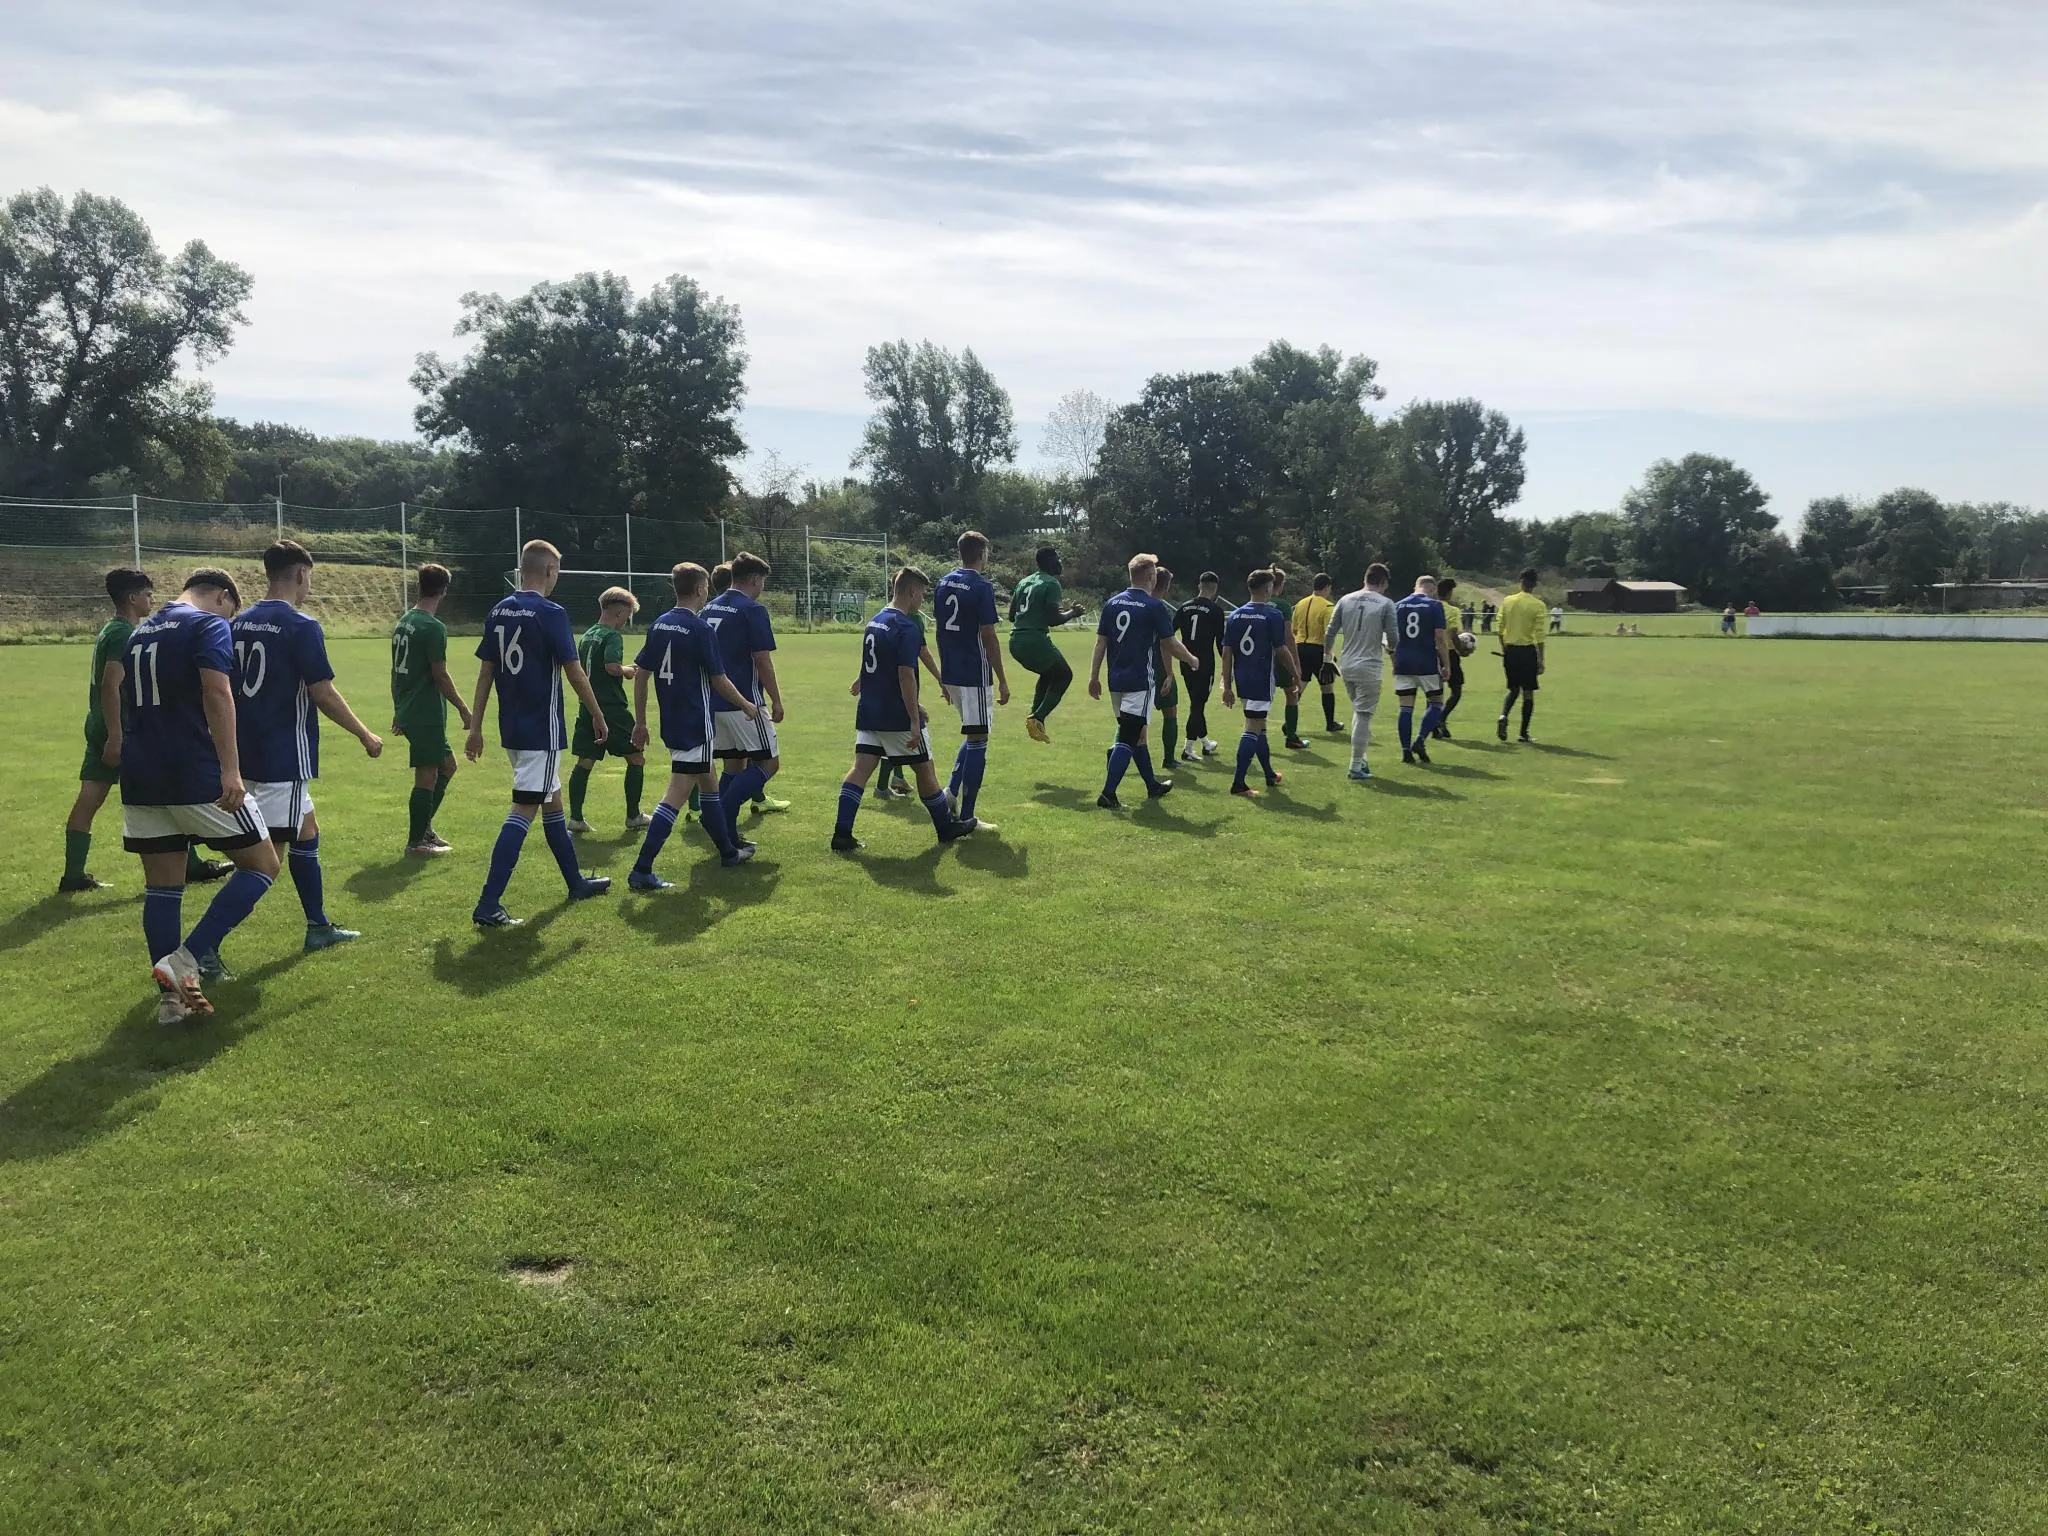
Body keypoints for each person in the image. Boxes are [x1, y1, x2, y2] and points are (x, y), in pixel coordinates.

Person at [101, 568, 281, 1023]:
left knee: (163, 888)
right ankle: (186, 960)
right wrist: (231, 769)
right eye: (232, 611)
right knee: (263, 865)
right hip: (192, 771)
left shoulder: (140, 632)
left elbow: (117, 689)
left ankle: (171, 1003)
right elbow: (217, 692)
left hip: (141, 775)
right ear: (222, 596)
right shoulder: (207, 624)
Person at [221, 538, 383, 970]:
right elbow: (322, 693)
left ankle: (318, 926)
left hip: (243, 754)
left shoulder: (237, 624)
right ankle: (201, 949)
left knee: (307, 832)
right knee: (263, 863)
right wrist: (364, 734)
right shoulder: (300, 625)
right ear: (300, 574)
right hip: (282, 757)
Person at [465, 540, 613, 927]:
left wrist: (476, 727)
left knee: (552, 804)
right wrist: (597, 713)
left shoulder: (498, 610)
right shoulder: (551, 612)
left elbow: (485, 672)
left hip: (512, 728)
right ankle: (488, 904)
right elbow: (574, 670)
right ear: (549, 571)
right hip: (541, 732)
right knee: (524, 809)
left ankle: (575, 882)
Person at [61, 569, 233, 893]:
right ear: (132, 598)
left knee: (90, 800)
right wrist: (116, 735)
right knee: (166, 792)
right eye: (147, 594)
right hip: (123, 728)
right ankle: (191, 866)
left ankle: (73, 875)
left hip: (99, 723)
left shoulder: (110, 629)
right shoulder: (125, 633)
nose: (152, 600)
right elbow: (111, 685)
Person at [625, 562, 761, 888]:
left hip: (672, 720)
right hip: (695, 723)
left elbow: (641, 675)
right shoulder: (701, 629)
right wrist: (746, 705)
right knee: (676, 795)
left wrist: (641, 722)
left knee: (710, 786)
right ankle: (642, 869)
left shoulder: (659, 624)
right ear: (700, 589)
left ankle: (728, 852)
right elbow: (719, 680)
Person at [833, 567, 988, 851]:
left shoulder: (875, 621)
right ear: (912, 591)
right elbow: (905, 675)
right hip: (896, 715)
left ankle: (842, 833)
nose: (923, 599)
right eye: (922, 594)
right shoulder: (906, 627)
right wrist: (914, 719)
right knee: (925, 769)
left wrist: (861, 681)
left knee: (860, 768)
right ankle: (946, 827)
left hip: (869, 710)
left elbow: (877, 664)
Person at [1088, 553, 1200, 809]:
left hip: (1116, 680)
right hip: (1139, 682)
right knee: (1128, 738)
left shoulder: (1112, 603)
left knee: (1137, 736)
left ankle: (1152, 785)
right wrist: (1191, 659)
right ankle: (1108, 794)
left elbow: (1101, 642)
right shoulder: (1153, 606)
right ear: (1151, 577)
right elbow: (1170, 643)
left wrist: (1094, 677)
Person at [703, 550, 789, 840]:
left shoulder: (709, 608)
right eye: (762, 581)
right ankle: (721, 816)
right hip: (745, 704)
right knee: (769, 763)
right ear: (754, 579)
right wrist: (776, 700)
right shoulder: (752, 610)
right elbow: (762, 660)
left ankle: (719, 823)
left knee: (735, 764)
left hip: (714, 702)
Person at [391, 562, 471, 857]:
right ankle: (417, 842)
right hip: (425, 713)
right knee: (428, 775)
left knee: (448, 766)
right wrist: (463, 708)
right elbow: (441, 676)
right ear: (443, 591)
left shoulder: (404, 621)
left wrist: (399, 708)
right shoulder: (433, 627)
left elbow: (395, 672)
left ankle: (424, 829)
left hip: (412, 709)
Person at [935, 531, 1010, 824]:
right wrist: (1002, 679)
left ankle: (951, 793)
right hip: (973, 672)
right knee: (979, 739)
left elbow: (939, 631)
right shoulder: (981, 586)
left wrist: (943, 675)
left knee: (973, 732)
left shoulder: (943, 583)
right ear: (982, 554)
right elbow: (989, 637)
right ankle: (967, 816)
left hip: (952, 671)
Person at [566, 587, 647, 834]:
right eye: (627, 616)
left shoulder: (587, 635)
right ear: (619, 612)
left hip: (587, 706)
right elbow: (612, 667)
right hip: (611, 709)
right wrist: (627, 670)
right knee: (636, 757)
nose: (626, 621)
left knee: (585, 761)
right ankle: (633, 816)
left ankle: (575, 818)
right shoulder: (612, 636)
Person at [1221, 568, 1299, 796]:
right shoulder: (1272, 615)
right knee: (1253, 728)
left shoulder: (1235, 615)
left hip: (1243, 679)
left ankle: (1269, 774)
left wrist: (1227, 686)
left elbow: (1227, 653)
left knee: (1260, 727)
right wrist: (1295, 674)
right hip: (1262, 679)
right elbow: (1282, 650)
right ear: (1268, 589)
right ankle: (1238, 784)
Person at [1322, 562, 1399, 780]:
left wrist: (1327, 656)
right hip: (1369, 665)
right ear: (1383, 582)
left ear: (1365, 579)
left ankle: (1361, 759)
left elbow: (1330, 632)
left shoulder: (1345, 599)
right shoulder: (1386, 603)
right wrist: (1391, 650)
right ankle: (1356, 766)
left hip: (1346, 664)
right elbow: (1393, 637)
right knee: (1364, 715)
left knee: (1359, 711)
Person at [1009, 545, 1086, 742]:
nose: (1060, 563)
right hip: (1034, 640)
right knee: (1064, 675)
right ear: (1049, 562)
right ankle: (1037, 717)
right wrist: (1073, 613)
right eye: (1057, 559)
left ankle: (1035, 718)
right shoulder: (1051, 583)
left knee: (1049, 673)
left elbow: (1011, 615)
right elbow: (1053, 619)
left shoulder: (1024, 582)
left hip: (1015, 641)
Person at [1392, 575, 1451, 765]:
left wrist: (1394, 661)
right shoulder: (1435, 605)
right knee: (1436, 703)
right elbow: (1440, 638)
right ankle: (1420, 740)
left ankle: (1405, 751)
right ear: (1433, 590)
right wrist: (1446, 664)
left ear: (1415, 587)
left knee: (1405, 708)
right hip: (1426, 663)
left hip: (1403, 662)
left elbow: (1390, 638)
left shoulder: (1398, 605)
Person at [1173, 571, 1230, 760]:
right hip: (1204, 664)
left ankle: (1205, 742)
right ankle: (1188, 747)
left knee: (1196, 702)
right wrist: (1228, 666)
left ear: (1199, 586)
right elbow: (1221, 643)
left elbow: (1169, 633)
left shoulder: (1184, 607)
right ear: (1215, 589)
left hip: (1186, 661)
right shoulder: (1215, 611)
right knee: (1198, 705)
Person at [1496, 567, 1548, 743]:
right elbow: (1539, 635)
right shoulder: (1538, 605)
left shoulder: (1507, 601)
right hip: (1527, 651)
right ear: (1534, 584)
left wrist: (1505, 648)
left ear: (1521, 581)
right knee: (1528, 693)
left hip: (1510, 650)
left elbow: (1499, 628)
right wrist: (1541, 659)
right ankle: (1523, 733)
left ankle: (1503, 715)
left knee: (1513, 690)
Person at [1287, 572, 1339, 745]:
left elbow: (1294, 629)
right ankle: (1330, 723)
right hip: (1318, 648)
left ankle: (1289, 722)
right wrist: (1330, 655)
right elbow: (1328, 633)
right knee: (1327, 686)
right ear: (1327, 587)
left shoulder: (1300, 604)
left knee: (1300, 684)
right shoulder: (1327, 606)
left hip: (1300, 646)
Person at [1151, 565, 1183, 766]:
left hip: (1137, 666)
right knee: (1170, 712)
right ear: (1166, 586)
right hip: (1159, 667)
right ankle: (1169, 759)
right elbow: (1166, 645)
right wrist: (1169, 674)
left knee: (1132, 717)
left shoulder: (1138, 604)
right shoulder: (1159, 608)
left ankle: (1116, 753)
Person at [1433, 576, 1466, 740]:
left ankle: (1434, 728)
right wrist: (1462, 650)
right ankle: (1441, 718)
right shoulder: (1453, 610)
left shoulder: (1430, 607)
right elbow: (1453, 633)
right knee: (1456, 691)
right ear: (1449, 593)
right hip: (1450, 653)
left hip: (1432, 653)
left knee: (1434, 692)